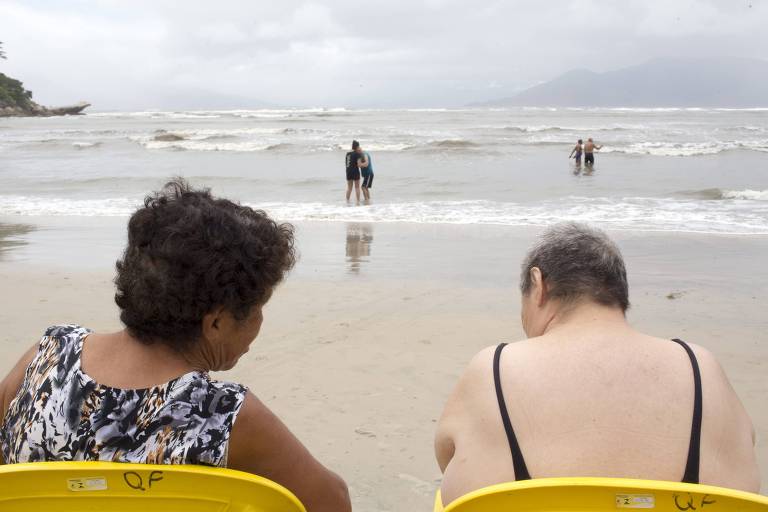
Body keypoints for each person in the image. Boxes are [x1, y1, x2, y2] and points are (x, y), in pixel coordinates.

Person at [0, 179, 351, 512]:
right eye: (258, 309)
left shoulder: (47, 355)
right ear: (216, 322)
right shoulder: (225, 415)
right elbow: (332, 502)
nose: (259, 322)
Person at [434, 223, 759, 506]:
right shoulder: (699, 367)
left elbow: (447, 457)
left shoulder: (494, 368)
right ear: (618, 291)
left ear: (539, 285)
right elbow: (746, 461)